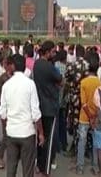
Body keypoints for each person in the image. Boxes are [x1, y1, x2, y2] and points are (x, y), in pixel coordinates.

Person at [0, 54, 44, 177]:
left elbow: (3, 114)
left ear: (12, 66)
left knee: (11, 168)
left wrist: (6, 129)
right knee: (28, 170)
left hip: (12, 132)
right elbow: (36, 113)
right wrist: (41, 133)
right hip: (27, 133)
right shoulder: (30, 84)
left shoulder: (6, 85)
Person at [33, 40, 62, 177]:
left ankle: (39, 165)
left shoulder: (37, 64)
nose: (54, 53)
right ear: (48, 52)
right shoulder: (49, 67)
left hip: (39, 105)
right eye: (53, 51)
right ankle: (46, 170)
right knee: (49, 141)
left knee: (41, 137)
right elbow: (60, 80)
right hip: (50, 106)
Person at [76, 55, 101, 175]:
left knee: (82, 141)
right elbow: (99, 102)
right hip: (96, 117)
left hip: (84, 117)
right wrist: (94, 116)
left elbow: (83, 103)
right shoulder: (99, 82)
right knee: (96, 142)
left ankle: (80, 167)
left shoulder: (83, 82)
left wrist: (89, 116)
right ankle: (95, 167)